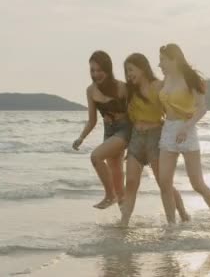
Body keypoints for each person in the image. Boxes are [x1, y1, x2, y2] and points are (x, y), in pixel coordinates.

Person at [156, 43, 210, 226]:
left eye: (162, 60)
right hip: (168, 131)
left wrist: (186, 127)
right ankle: (171, 225)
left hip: (187, 131)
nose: (159, 64)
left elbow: (202, 108)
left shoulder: (190, 79)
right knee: (164, 182)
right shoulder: (166, 79)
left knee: (197, 184)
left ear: (174, 59)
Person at [119, 53, 189, 227]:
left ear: (142, 68)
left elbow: (176, 92)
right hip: (136, 139)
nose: (128, 75)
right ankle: (124, 222)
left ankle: (182, 214)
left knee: (164, 183)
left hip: (156, 137)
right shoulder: (130, 92)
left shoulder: (158, 86)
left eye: (131, 70)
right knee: (131, 183)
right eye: (126, 71)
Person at [73, 50, 131, 209]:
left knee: (96, 157)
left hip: (124, 130)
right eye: (92, 70)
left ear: (108, 68)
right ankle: (124, 222)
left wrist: (137, 142)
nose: (95, 74)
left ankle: (109, 195)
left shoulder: (122, 87)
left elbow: (135, 112)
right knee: (117, 177)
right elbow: (92, 120)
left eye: (99, 70)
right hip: (109, 131)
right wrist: (81, 137)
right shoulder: (90, 91)